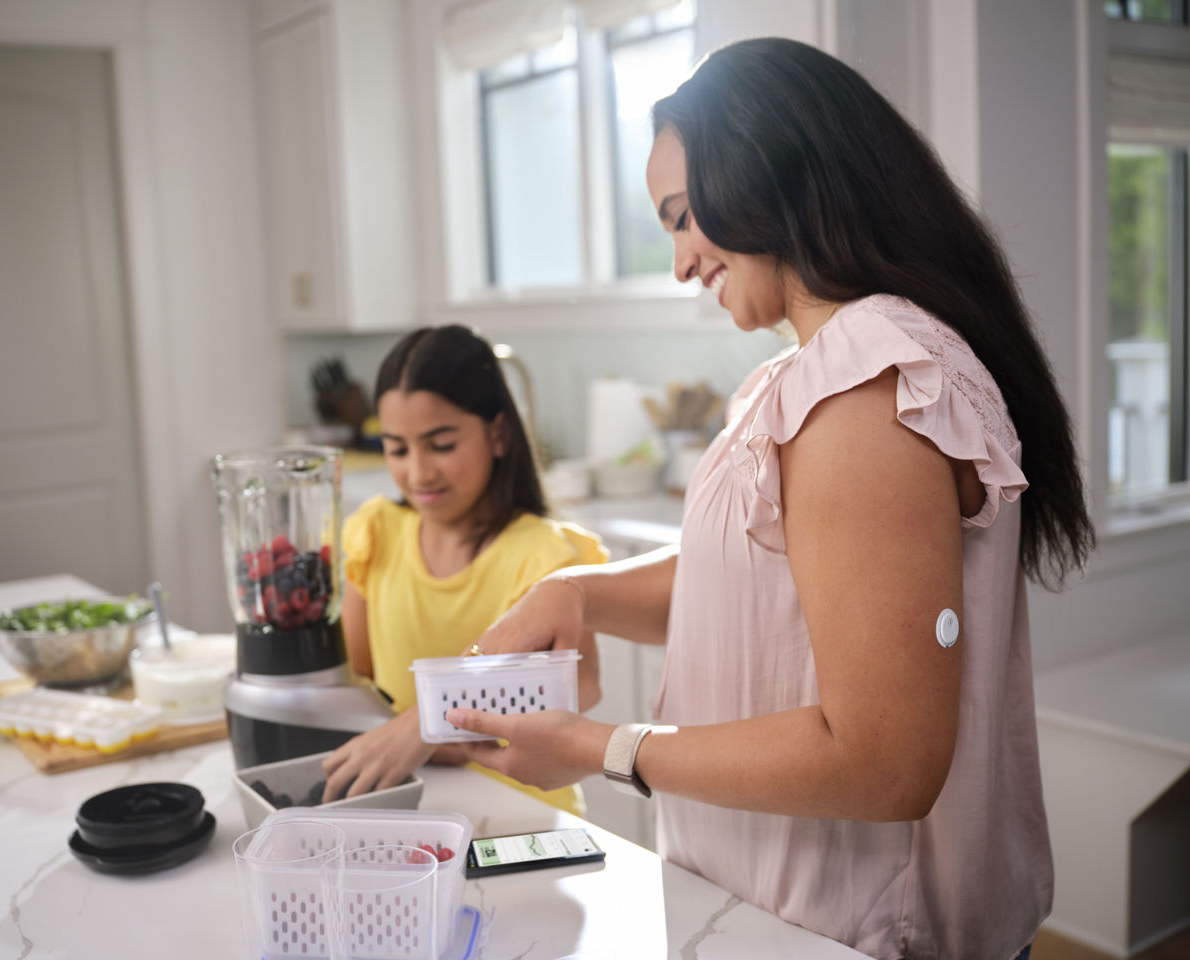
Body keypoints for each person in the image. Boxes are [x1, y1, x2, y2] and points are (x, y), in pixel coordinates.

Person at [444, 37, 1095, 960]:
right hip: (775, 921)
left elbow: (884, 761)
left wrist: (596, 746)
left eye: (681, 218)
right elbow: (752, 578)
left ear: (763, 171)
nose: (678, 262)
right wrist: (579, 593)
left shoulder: (865, 389)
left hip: (854, 935)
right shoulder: (809, 377)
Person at [320, 324, 608, 815]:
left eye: (441, 445)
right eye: (397, 449)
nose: (418, 472)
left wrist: (428, 731)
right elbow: (357, 680)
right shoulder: (376, 533)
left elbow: (579, 689)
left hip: (525, 814)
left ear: (497, 435)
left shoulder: (541, 555)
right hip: (419, 802)